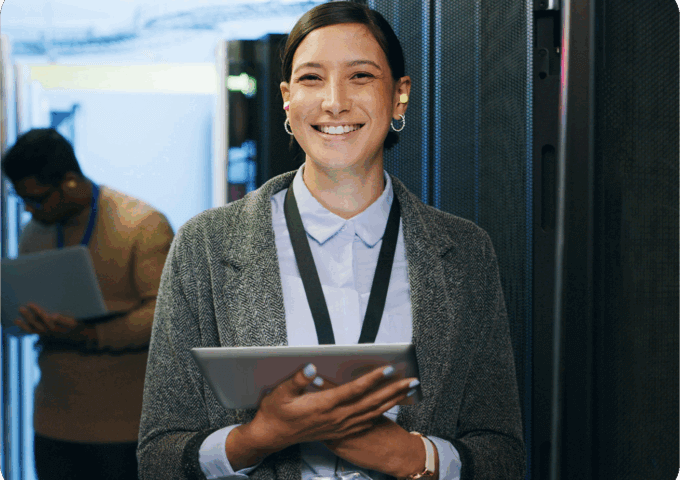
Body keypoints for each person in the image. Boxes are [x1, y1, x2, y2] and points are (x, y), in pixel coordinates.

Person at [138, 2, 525, 480]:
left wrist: (411, 456)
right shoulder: (205, 246)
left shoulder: (464, 252)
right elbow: (157, 457)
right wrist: (258, 438)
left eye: (361, 76)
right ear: (286, 98)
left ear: (400, 95)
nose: (334, 102)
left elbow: (503, 455)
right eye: (311, 78)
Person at [2, 128, 174, 480]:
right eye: (21, 200)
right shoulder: (35, 231)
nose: (29, 210)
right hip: (53, 420)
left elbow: (164, 316)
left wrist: (90, 334)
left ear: (68, 182)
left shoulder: (141, 223)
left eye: (37, 199)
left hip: (124, 428)